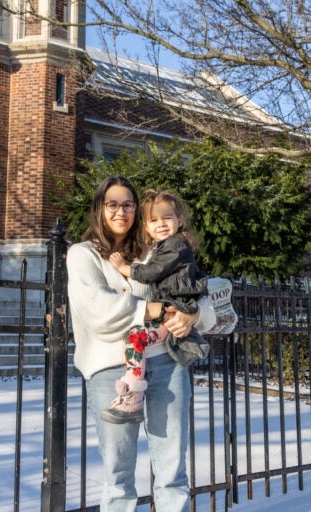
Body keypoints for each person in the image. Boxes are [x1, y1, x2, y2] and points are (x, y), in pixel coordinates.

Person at [67, 176, 203, 511]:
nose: (120, 211)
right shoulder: (82, 255)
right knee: (118, 475)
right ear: (100, 208)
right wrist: (151, 309)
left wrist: (193, 315)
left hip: (167, 364)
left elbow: (194, 286)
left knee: (172, 471)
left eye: (128, 204)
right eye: (112, 204)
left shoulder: (153, 252)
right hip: (111, 371)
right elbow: (98, 311)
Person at [100, 189, 209, 424]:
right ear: (147, 227)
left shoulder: (175, 246)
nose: (160, 224)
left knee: (135, 337)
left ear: (179, 221)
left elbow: (152, 272)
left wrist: (124, 267)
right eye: (153, 220)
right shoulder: (166, 247)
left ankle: (134, 395)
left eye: (167, 218)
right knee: (135, 336)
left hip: (172, 309)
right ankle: (133, 389)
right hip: (171, 308)